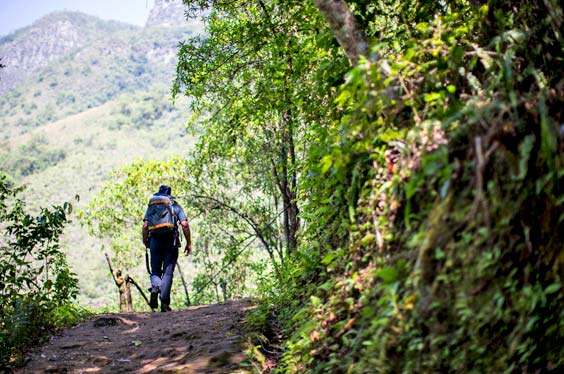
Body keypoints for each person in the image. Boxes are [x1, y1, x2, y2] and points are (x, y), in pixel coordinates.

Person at [142, 185, 191, 312]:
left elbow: (145, 225)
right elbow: (185, 224)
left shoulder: (152, 206)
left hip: (154, 241)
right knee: (168, 273)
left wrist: (145, 240)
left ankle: (155, 287)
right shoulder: (175, 205)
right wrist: (188, 243)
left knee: (155, 271)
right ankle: (164, 304)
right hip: (171, 240)